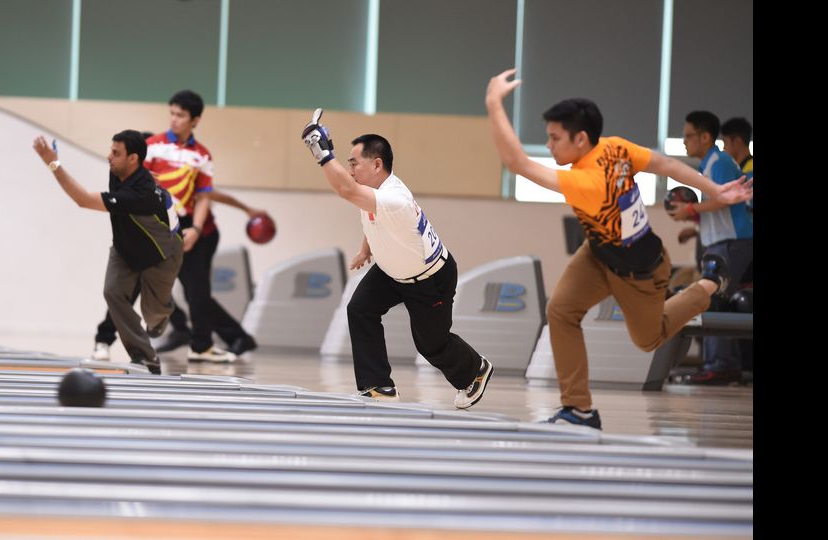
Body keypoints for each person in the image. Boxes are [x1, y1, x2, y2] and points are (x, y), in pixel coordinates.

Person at [484, 69, 753, 429]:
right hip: (598, 252)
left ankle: (708, 283)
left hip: (639, 268)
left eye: (554, 138)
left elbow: (517, 163)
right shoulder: (614, 146)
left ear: (581, 138)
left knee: (649, 338)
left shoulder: (586, 180)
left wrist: (493, 102)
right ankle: (578, 410)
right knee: (561, 312)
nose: (548, 145)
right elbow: (666, 164)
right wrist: (715, 190)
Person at [300, 109, 493, 408]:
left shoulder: (394, 199)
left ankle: (474, 370)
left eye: (354, 163)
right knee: (360, 309)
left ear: (377, 164)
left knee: (431, 345)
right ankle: (378, 387)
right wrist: (366, 249)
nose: (350, 170)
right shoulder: (375, 192)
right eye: (348, 164)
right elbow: (372, 218)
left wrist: (322, 153)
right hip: (392, 273)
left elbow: (344, 189)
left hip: (430, 278)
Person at [32, 130, 183, 374]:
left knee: (153, 315)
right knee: (112, 292)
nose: (108, 157)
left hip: (163, 252)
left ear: (132, 158)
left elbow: (82, 200)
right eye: (111, 150)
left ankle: (162, 313)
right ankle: (145, 357)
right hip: (126, 247)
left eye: (115, 153)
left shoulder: (138, 194)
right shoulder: (121, 170)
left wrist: (52, 162)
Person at [138, 89, 259, 364]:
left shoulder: (201, 155)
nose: (174, 119)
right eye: (171, 113)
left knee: (197, 291)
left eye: (180, 115)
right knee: (160, 283)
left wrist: (195, 228)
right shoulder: (154, 146)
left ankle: (201, 342)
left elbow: (207, 195)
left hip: (198, 231)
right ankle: (190, 330)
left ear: (195, 120)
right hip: (162, 228)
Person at [90, 188, 269, 361]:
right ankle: (180, 329)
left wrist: (246, 210)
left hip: (196, 235)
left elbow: (209, 194)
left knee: (195, 292)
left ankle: (228, 337)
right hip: (163, 232)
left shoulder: (183, 164)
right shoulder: (145, 173)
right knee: (142, 282)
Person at [667, 112, 753, 385]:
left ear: (705, 137)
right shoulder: (709, 164)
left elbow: (726, 200)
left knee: (713, 299)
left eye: (688, 136)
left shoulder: (719, 161)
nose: (684, 142)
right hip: (722, 241)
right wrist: (692, 218)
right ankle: (723, 365)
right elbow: (717, 208)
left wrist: (690, 208)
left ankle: (719, 365)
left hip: (733, 241)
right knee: (716, 299)